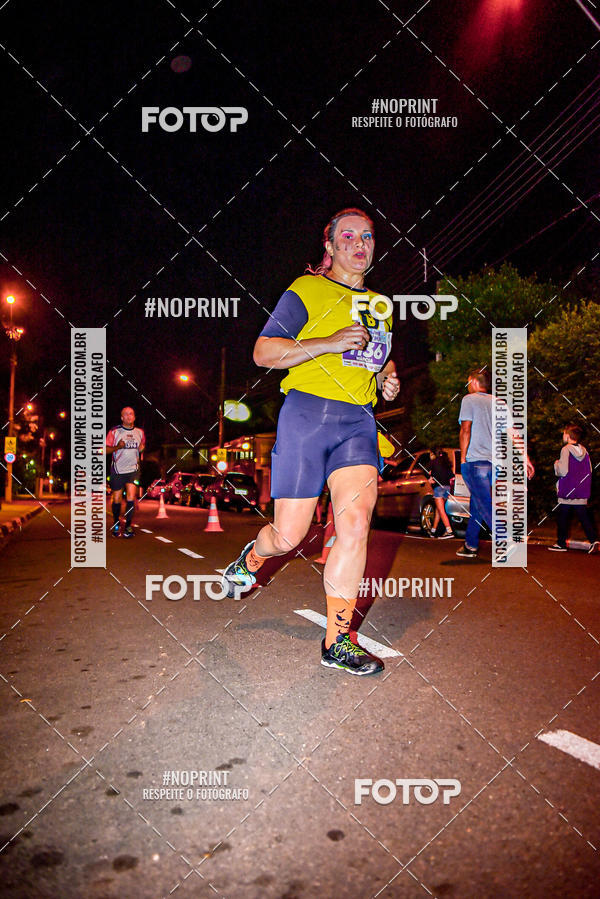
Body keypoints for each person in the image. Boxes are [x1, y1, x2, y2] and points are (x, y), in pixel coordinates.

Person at [223, 207, 400, 675]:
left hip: (357, 423)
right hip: (306, 417)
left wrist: (388, 377)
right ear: (330, 246)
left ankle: (337, 641)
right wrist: (328, 341)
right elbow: (264, 352)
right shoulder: (306, 290)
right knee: (289, 535)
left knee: (356, 524)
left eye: (368, 236)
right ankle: (253, 557)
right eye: (348, 236)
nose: (359, 244)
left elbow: (378, 356)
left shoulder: (380, 304)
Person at [456, 368, 534, 558]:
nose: (467, 386)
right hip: (494, 465)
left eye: (468, 382)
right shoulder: (500, 403)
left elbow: (465, 429)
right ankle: (470, 545)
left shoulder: (469, 400)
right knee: (478, 503)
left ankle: (505, 539)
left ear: (474, 382)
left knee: (483, 502)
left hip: (475, 461)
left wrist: (463, 458)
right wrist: (526, 458)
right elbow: (513, 433)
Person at [548, 423, 598, 553]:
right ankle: (594, 540)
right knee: (584, 516)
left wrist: (556, 465)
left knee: (562, 517)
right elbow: (589, 470)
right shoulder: (584, 450)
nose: (563, 436)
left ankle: (561, 544)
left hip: (568, 490)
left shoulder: (566, 449)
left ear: (568, 436)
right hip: (581, 490)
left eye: (564, 433)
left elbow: (563, 471)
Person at [106, 407, 145, 538]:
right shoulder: (114, 431)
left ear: (134, 417)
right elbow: (105, 450)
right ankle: (116, 523)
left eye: (131, 414)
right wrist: (118, 446)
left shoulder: (140, 432)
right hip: (117, 470)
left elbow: (142, 446)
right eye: (126, 414)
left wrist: (141, 449)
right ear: (122, 418)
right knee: (117, 499)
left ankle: (128, 526)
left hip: (133, 470)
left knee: (130, 497)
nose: (129, 416)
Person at [427, 447, 454, 538]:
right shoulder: (446, 462)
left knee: (441, 510)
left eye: (430, 454)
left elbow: (425, 470)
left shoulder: (433, 462)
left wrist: (429, 478)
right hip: (447, 488)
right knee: (439, 510)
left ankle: (449, 531)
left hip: (438, 488)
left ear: (433, 454)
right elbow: (451, 475)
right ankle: (433, 531)